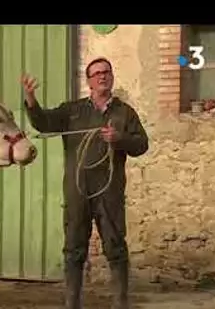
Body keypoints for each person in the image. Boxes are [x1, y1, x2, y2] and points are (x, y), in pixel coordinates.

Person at [21, 57, 149, 309]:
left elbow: (142, 145)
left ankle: (120, 303)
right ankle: (72, 303)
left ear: (111, 77)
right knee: (74, 248)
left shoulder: (124, 112)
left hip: (109, 190)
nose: (103, 76)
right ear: (89, 81)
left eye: (106, 72)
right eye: (97, 73)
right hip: (78, 190)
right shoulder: (74, 110)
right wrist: (31, 100)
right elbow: (43, 123)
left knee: (115, 246)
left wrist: (119, 138)